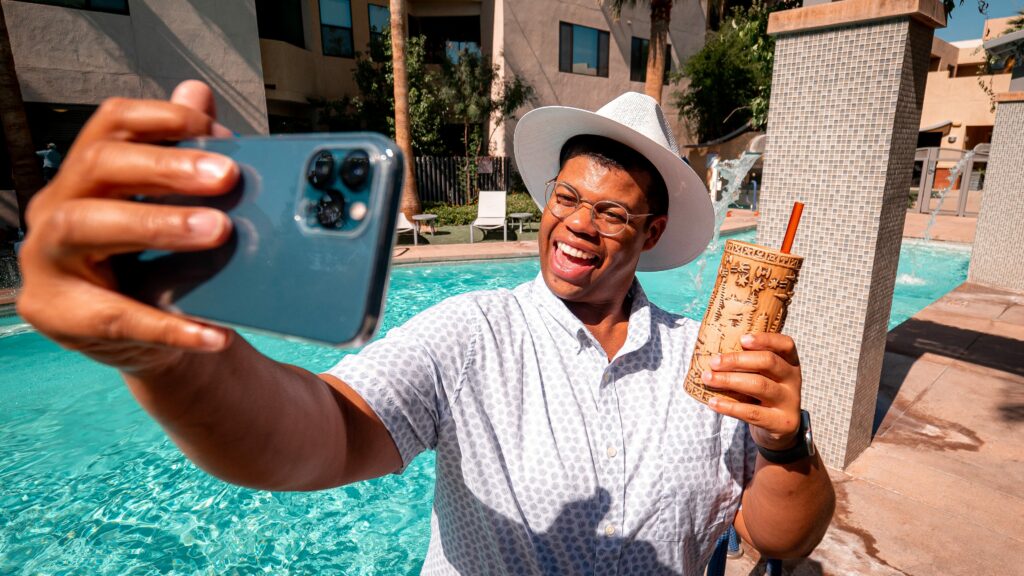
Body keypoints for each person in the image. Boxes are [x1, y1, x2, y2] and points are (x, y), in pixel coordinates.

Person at [17, 81, 834, 575]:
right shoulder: (470, 333)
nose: (579, 225)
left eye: (613, 212)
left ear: (651, 234)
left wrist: (785, 445)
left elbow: (775, 538)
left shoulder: (709, 363)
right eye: (567, 199)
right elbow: (323, 436)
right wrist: (172, 362)